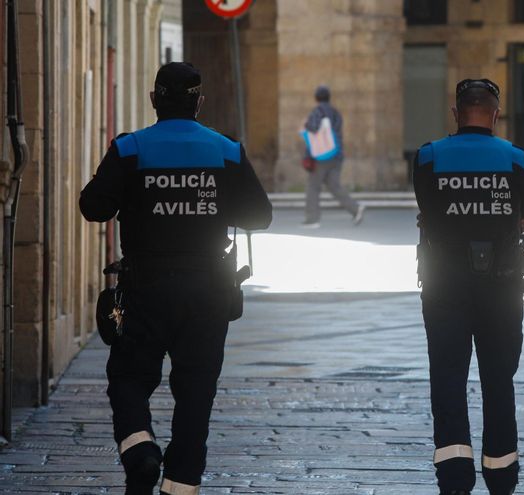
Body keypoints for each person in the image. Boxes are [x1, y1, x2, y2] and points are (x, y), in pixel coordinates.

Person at [79, 62, 272, 495]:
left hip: (145, 288)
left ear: (154, 100)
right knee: (196, 394)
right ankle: (180, 487)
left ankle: (139, 451)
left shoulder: (130, 149)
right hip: (208, 291)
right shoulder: (225, 150)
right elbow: (260, 215)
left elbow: (93, 206)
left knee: (128, 379)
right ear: (199, 103)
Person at [413, 79, 524, 495]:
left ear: (455, 113)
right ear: (496, 115)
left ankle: (455, 479)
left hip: (444, 287)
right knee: (499, 380)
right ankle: (501, 477)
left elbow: (426, 213)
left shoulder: (428, 157)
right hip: (500, 289)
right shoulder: (516, 159)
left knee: (447, 379)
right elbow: (520, 218)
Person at [302, 85, 366, 228]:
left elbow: (312, 129)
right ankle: (355, 209)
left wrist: (306, 125)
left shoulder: (317, 111)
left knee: (313, 186)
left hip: (321, 156)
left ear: (316, 98)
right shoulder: (336, 113)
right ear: (329, 97)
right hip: (337, 155)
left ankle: (312, 219)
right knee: (334, 186)